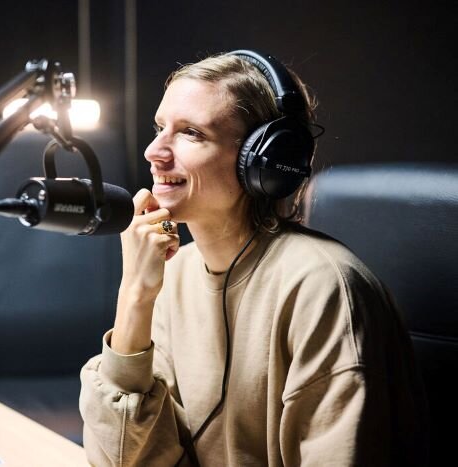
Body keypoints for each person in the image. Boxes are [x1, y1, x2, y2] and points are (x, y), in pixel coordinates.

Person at [79, 50, 427, 466]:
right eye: (159, 128)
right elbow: (122, 459)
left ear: (264, 162)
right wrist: (135, 296)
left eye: (190, 133)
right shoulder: (173, 275)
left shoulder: (323, 290)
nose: (155, 151)